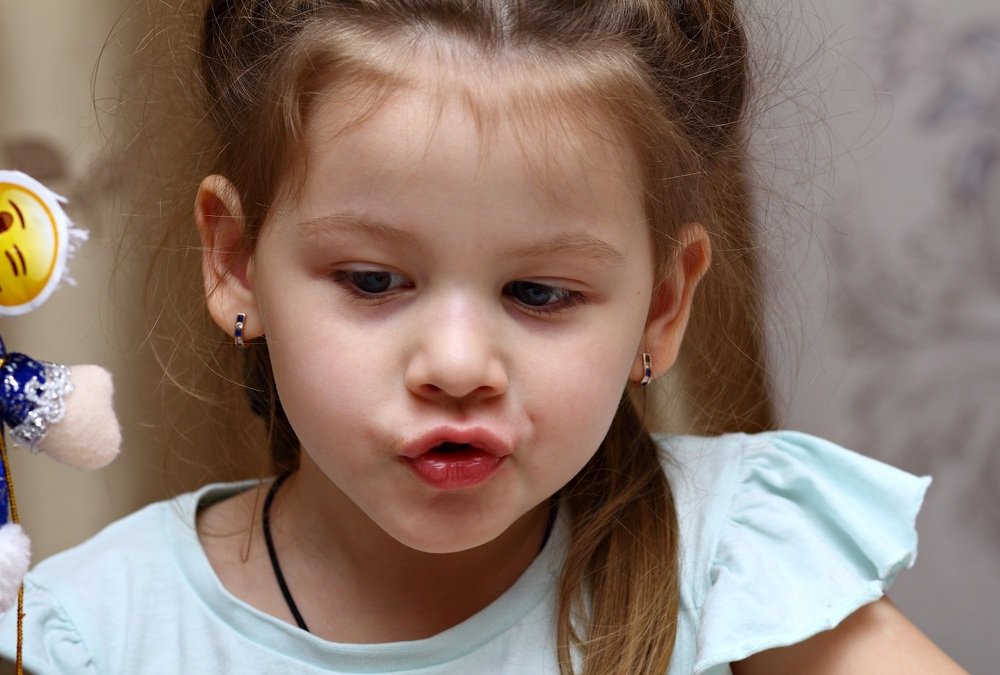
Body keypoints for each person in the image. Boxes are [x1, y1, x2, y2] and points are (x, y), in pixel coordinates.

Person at [0, 1, 967, 673]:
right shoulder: (94, 631)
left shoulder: (739, 564)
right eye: (372, 280)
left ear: (663, 305)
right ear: (237, 261)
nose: (458, 367)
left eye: (540, 292)